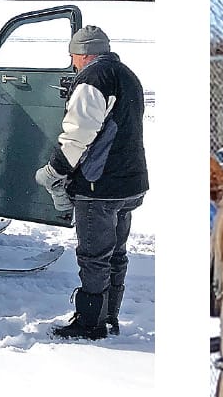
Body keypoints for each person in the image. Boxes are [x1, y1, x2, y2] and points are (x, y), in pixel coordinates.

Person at [39, 25, 148, 340]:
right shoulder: (128, 75)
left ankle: (91, 323)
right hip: (130, 182)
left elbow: (79, 133)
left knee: (94, 255)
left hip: (98, 185)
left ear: (84, 53)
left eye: (73, 56)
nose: (72, 63)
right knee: (116, 252)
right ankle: (109, 314)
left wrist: (55, 170)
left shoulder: (93, 79)